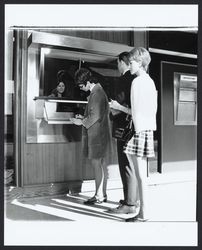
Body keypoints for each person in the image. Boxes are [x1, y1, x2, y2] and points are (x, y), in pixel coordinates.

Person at [124, 47, 157, 222]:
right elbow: (153, 109)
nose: (129, 65)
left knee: (140, 175)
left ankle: (143, 212)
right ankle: (142, 209)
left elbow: (136, 110)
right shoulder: (150, 81)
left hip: (138, 130)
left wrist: (135, 130)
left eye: (131, 62)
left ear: (140, 62)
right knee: (141, 175)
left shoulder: (137, 82)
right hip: (146, 129)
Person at [71, 68, 111, 204]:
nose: (81, 89)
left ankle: (99, 196)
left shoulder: (97, 93)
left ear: (88, 82)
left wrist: (80, 121)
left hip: (97, 136)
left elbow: (95, 115)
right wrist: (84, 117)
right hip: (99, 134)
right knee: (100, 165)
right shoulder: (97, 92)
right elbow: (95, 113)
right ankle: (101, 194)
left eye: (82, 86)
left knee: (96, 165)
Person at [108, 52, 138, 214]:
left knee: (125, 164)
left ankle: (129, 203)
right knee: (132, 164)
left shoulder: (122, 80)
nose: (117, 66)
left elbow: (117, 105)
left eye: (118, 63)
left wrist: (112, 110)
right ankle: (133, 199)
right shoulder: (136, 79)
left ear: (122, 62)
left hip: (123, 128)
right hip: (134, 127)